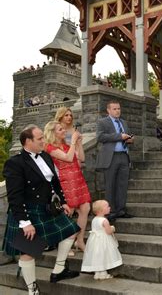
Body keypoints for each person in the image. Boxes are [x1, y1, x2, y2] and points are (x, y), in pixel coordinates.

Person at [2, 125, 80, 295]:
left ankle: (59, 270)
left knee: (71, 231)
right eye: (40, 139)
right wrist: (25, 223)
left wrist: (63, 201)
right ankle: (32, 289)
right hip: (28, 211)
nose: (44, 141)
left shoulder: (45, 155)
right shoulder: (15, 163)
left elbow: (54, 182)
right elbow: (14, 197)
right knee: (29, 251)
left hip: (47, 208)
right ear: (28, 141)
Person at [44, 121, 91, 253]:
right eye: (60, 129)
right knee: (68, 212)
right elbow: (68, 158)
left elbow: (81, 158)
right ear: (53, 133)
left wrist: (79, 143)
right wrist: (73, 142)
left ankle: (80, 240)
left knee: (85, 209)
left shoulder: (66, 145)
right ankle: (64, 244)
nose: (64, 131)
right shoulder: (49, 148)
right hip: (65, 182)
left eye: (64, 129)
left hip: (78, 180)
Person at [96, 100, 134, 220]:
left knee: (122, 185)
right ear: (108, 110)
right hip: (111, 157)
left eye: (118, 109)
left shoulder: (123, 122)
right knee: (110, 185)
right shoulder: (103, 122)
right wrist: (119, 136)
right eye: (114, 109)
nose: (117, 111)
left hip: (124, 155)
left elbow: (126, 136)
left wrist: (129, 139)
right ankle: (110, 212)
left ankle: (121, 210)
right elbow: (100, 137)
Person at [81, 200, 122, 280]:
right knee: (104, 256)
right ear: (102, 210)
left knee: (97, 256)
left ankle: (97, 273)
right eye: (107, 206)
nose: (109, 207)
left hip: (95, 241)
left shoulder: (94, 219)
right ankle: (103, 274)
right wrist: (113, 228)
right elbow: (108, 231)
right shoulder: (104, 221)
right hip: (104, 241)